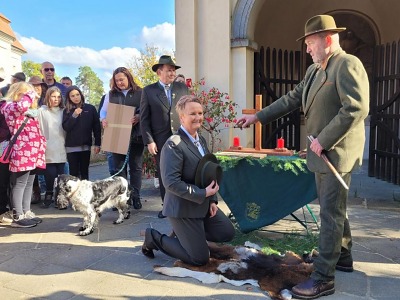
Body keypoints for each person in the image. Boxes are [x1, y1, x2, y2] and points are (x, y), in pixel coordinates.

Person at [236, 15, 369, 299]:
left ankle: (323, 278)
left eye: (310, 43)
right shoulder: (314, 70)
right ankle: (342, 256)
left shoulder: (347, 64)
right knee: (334, 209)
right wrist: (257, 117)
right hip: (322, 153)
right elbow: (292, 99)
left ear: (328, 39)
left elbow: (356, 108)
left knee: (330, 213)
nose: (307, 49)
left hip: (337, 152)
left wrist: (324, 139)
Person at [142, 95, 235, 265]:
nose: (198, 117)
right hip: (182, 207)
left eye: (200, 113)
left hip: (202, 203)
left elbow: (207, 173)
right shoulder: (174, 144)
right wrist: (203, 193)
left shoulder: (202, 141)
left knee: (227, 232)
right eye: (192, 113)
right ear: (182, 117)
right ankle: (153, 238)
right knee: (199, 258)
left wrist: (212, 200)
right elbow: (170, 182)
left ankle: (186, 234)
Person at [140, 55, 189, 218]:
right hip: (161, 140)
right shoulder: (148, 91)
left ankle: (183, 204)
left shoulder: (182, 88)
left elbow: (188, 111)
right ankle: (167, 207)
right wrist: (150, 141)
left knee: (184, 171)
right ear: (159, 72)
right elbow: (144, 119)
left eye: (174, 70)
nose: (172, 73)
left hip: (182, 137)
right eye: (169, 70)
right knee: (164, 173)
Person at [0, 82, 46, 228]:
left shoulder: (30, 113)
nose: (31, 97)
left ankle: (26, 212)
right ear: (17, 94)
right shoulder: (10, 108)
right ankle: (18, 216)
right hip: (22, 152)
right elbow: (21, 106)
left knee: (29, 183)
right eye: (25, 94)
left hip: (33, 153)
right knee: (19, 184)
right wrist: (31, 93)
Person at [100, 67, 143, 209]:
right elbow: (103, 111)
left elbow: (146, 111)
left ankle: (135, 196)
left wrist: (139, 117)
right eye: (116, 80)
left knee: (135, 168)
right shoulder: (110, 94)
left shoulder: (140, 92)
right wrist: (103, 119)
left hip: (136, 135)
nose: (119, 83)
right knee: (119, 169)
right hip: (117, 135)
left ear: (129, 78)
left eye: (121, 79)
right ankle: (122, 198)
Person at [63, 86, 101, 181]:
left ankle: (85, 194)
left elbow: (96, 127)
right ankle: (74, 195)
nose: (76, 97)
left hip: (85, 146)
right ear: (69, 98)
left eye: (77, 95)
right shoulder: (67, 111)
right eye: (72, 96)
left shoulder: (90, 108)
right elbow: (66, 127)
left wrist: (97, 143)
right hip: (71, 147)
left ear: (81, 95)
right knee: (74, 173)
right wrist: (74, 115)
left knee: (84, 173)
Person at [38, 86, 67, 208]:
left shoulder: (64, 111)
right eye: (53, 96)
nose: (56, 99)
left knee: (61, 174)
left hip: (62, 144)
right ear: (48, 97)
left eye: (59, 97)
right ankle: (49, 194)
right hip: (48, 145)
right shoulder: (42, 111)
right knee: (50, 173)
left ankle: (59, 198)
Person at [28, 76, 48, 203]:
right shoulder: (26, 102)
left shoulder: (45, 102)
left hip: (43, 138)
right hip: (30, 140)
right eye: (34, 86)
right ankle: (35, 192)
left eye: (38, 86)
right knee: (32, 171)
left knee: (43, 167)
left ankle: (45, 191)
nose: (37, 89)